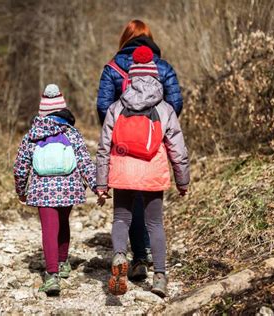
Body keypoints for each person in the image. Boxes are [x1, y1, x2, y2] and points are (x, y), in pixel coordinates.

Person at [96, 46, 190, 297]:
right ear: (155, 76)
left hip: (123, 172)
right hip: (153, 172)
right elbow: (177, 148)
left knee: (121, 219)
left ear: (131, 78)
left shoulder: (117, 107)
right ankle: (159, 276)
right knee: (155, 224)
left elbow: (104, 147)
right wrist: (183, 181)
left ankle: (118, 256)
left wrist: (102, 184)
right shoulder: (165, 109)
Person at [14, 84, 97, 296]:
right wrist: (98, 186)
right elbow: (85, 162)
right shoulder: (72, 133)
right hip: (69, 188)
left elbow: (21, 166)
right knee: (62, 223)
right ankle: (62, 263)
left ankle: (51, 277)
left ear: (42, 111)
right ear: (62, 109)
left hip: (42, 189)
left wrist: (21, 189)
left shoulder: (32, 134)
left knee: (49, 229)